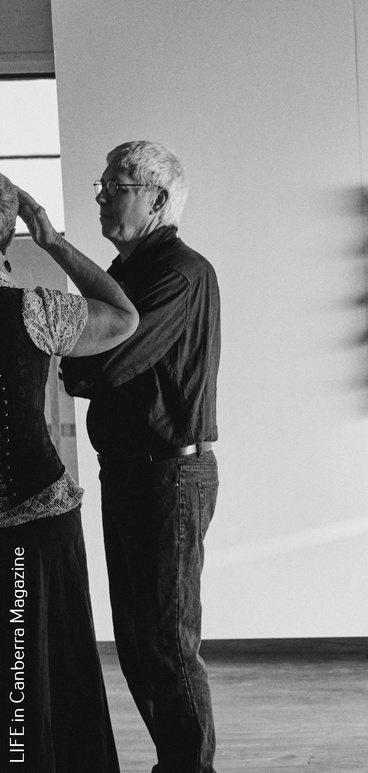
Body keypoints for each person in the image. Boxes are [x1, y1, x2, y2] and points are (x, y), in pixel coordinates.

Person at [60, 141, 221, 773]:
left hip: (169, 475)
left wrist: (83, 363)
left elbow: (107, 361)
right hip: (132, 471)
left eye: (116, 186)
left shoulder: (179, 272)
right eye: (102, 185)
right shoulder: (126, 272)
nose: (102, 196)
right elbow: (89, 359)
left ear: (156, 200)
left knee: (167, 643)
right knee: (136, 640)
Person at [0, 175, 138, 770]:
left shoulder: (33, 309)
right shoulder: (34, 310)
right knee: (34, 667)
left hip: (34, 518)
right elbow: (124, 317)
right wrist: (51, 240)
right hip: (36, 517)